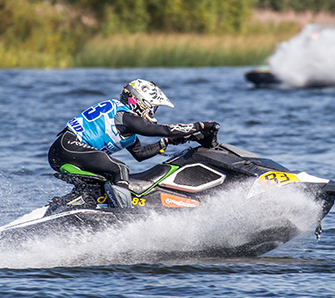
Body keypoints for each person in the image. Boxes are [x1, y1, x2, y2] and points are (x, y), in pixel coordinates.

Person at [47, 79, 217, 209]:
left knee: (97, 186)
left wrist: (167, 142)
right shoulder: (125, 116)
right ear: (140, 102)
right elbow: (160, 129)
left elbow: (140, 154)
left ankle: (66, 206)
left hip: (66, 151)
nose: (152, 113)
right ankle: (124, 214)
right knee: (119, 169)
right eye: (153, 108)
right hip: (68, 147)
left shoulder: (125, 126)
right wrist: (200, 126)